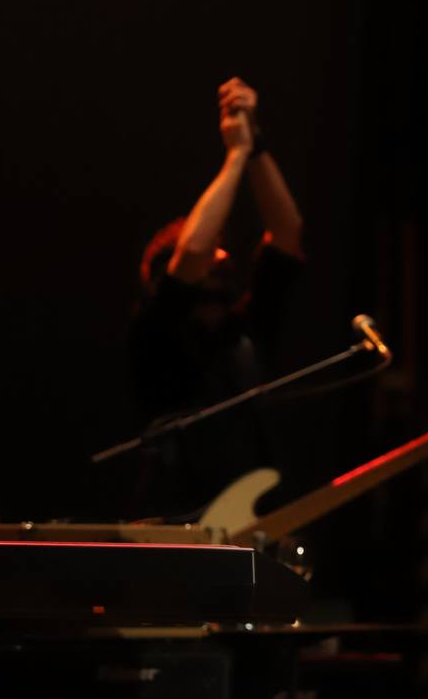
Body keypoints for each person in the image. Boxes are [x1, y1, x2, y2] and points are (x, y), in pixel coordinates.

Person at [128, 76, 304, 520]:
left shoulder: (244, 331)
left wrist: (255, 145)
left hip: (253, 518)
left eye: (223, 253)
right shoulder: (155, 331)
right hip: (175, 522)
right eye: (212, 255)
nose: (220, 257)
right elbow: (193, 250)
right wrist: (235, 155)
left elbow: (287, 231)